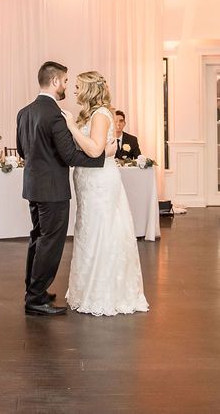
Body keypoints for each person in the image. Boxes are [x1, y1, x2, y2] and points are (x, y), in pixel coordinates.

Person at [16, 61, 104, 316]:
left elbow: (21, 150)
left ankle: (34, 291)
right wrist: (102, 157)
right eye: (65, 81)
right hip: (53, 190)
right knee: (50, 243)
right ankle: (36, 300)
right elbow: (70, 156)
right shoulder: (55, 114)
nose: (67, 86)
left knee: (38, 237)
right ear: (55, 81)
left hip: (33, 187)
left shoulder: (24, 112)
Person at [63, 72, 149, 316]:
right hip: (87, 180)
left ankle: (104, 292)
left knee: (102, 230)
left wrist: (71, 127)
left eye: (78, 86)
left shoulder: (100, 114)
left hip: (99, 181)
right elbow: (96, 149)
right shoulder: (90, 114)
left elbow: (93, 150)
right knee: (88, 231)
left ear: (89, 89)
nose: (75, 90)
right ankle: (86, 289)